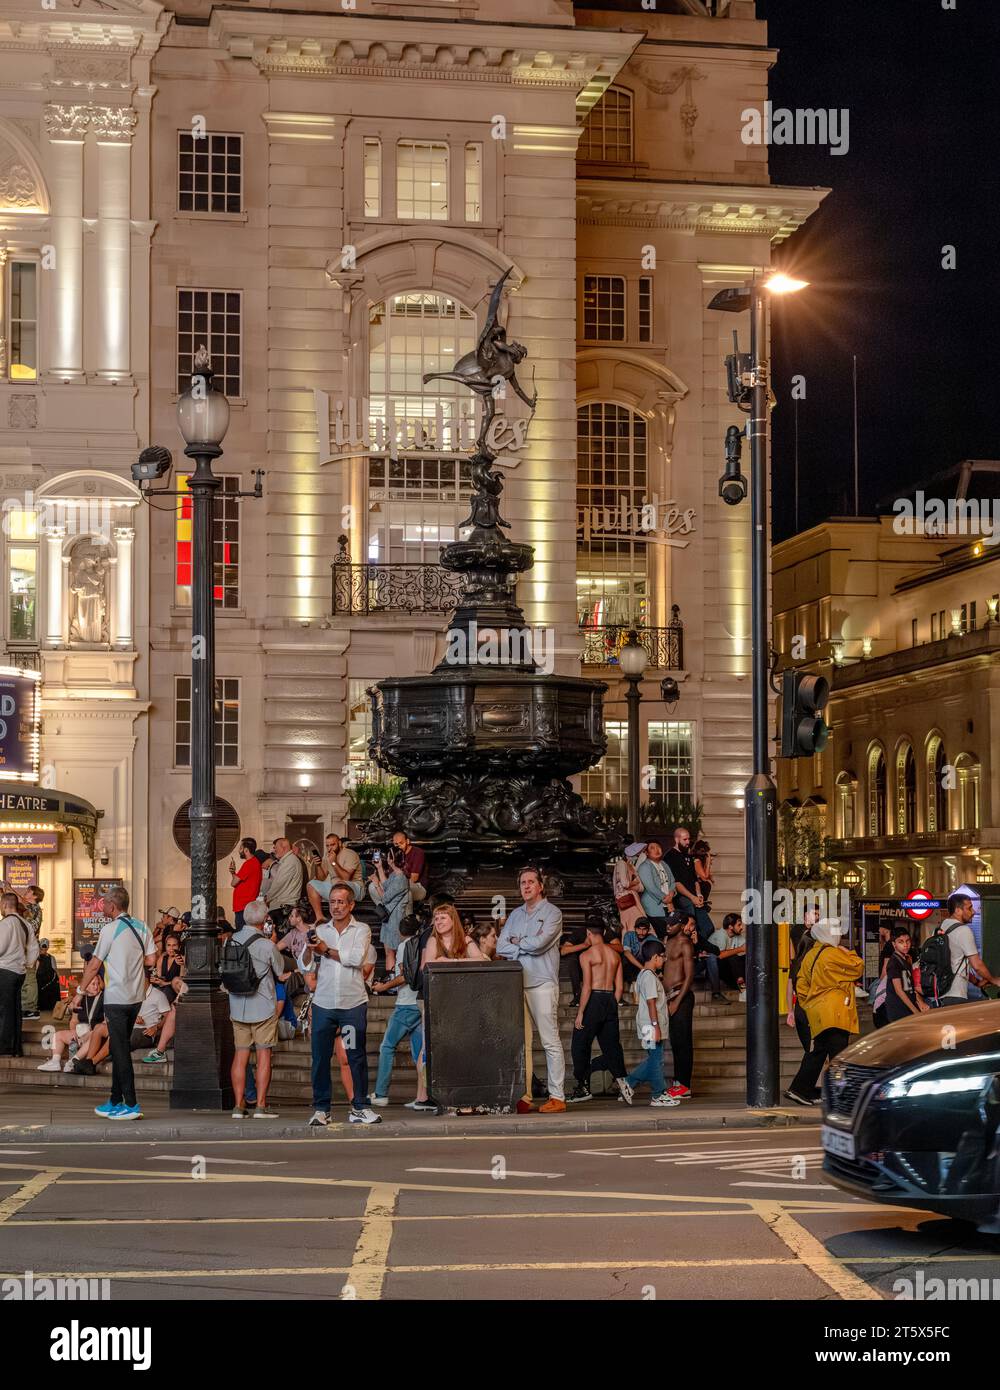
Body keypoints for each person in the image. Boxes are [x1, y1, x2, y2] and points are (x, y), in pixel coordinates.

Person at [302, 882, 381, 1127]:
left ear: (351, 904)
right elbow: (306, 964)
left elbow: (356, 959)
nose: (336, 906)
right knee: (320, 1058)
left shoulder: (362, 930)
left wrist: (325, 950)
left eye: (340, 902)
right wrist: (309, 947)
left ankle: (359, 1106)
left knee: (355, 1056)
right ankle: (321, 1109)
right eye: (332, 902)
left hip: (352, 1005)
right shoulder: (321, 929)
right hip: (324, 1004)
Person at [77, 886, 156, 1120]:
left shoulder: (110, 930)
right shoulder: (143, 926)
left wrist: (80, 991)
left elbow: (93, 965)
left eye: (104, 904)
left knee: (120, 1051)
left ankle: (131, 1104)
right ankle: (114, 1100)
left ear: (112, 905)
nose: (102, 908)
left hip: (116, 998)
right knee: (118, 1044)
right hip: (136, 998)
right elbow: (152, 959)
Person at [496, 866, 567, 1114]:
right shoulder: (515, 914)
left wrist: (518, 942)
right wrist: (520, 944)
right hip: (517, 983)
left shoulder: (552, 913)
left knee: (550, 1041)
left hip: (543, 982)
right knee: (522, 1044)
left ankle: (557, 1095)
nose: (525, 886)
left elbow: (539, 945)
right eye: (522, 882)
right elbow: (500, 945)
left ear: (540, 886)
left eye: (530, 882)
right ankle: (524, 1096)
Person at [784, 919, 864, 1107]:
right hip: (835, 1011)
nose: (839, 936)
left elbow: (801, 986)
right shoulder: (834, 954)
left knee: (819, 1051)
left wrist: (811, 1002)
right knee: (839, 1054)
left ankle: (800, 1089)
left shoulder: (811, 954)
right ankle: (842, 1095)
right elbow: (857, 967)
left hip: (818, 1011)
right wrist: (848, 952)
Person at [224, 900, 289, 1118]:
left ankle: (238, 1105)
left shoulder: (230, 941)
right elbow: (280, 971)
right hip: (262, 1006)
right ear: (264, 921)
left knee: (240, 1057)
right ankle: (261, 1105)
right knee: (263, 1057)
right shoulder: (267, 945)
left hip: (237, 1005)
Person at [569, 920, 633, 1105]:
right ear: (603, 932)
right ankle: (623, 1082)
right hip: (610, 999)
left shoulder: (587, 954)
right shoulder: (615, 955)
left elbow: (587, 986)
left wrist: (581, 1012)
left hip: (594, 999)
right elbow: (619, 987)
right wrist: (612, 1002)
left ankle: (583, 1087)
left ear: (589, 933)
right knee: (612, 1046)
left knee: (579, 1044)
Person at [370, 915, 424, 1105]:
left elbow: (403, 977)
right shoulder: (422, 945)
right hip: (419, 1003)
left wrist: (383, 987)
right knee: (419, 1052)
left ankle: (381, 1093)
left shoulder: (404, 946)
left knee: (387, 1046)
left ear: (400, 932)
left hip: (406, 1003)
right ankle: (423, 1096)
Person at [622, 938, 679, 1106]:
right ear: (655, 957)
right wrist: (656, 1027)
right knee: (656, 1059)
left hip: (649, 1024)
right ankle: (657, 1094)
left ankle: (629, 1084)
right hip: (650, 1025)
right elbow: (651, 1003)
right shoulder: (648, 977)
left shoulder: (645, 975)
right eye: (663, 956)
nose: (664, 960)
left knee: (655, 1059)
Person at [924, 892, 1000, 1007]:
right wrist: (994, 980)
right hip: (955, 994)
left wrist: (977, 982)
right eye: (969, 908)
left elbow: (954, 962)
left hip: (939, 994)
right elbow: (977, 965)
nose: (973, 912)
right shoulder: (963, 930)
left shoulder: (940, 928)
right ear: (957, 910)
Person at [38, 974, 105, 1072]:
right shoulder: (80, 999)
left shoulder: (103, 997)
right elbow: (74, 1020)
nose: (96, 986)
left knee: (93, 1035)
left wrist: (88, 1035)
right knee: (58, 1035)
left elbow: (105, 1022)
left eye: (98, 984)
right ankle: (55, 1062)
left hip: (95, 1035)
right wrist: (74, 1035)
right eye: (93, 984)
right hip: (81, 1033)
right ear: (85, 985)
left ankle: (72, 1062)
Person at [663, 909, 696, 1099]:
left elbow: (689, 976)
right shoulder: (668, 940)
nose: (668, 925)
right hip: (669, 996)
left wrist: (677, 1001)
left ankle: (684, 1085)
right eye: (668, 922)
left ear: (682, 925)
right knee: (675, 1042)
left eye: (672, 923)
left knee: (683, 1042)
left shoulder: (685, 943)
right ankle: (678, 1082)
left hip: (681, 997)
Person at [368, 844, 412, 973]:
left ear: (391, 859)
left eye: (388, 857)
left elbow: (385, 898)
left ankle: (394, 979)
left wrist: (376, 885)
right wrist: (380, 867)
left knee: (393, 952)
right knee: (389, 952)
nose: (386, 858)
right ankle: (391, 978)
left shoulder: (401, 878)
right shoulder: (396, 874)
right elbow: (386, 886)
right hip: (390, 918)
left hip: (395, 919)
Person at [665, 827, 713, 943]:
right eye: (684, 839)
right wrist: (692, 898)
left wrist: (699, 894)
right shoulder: (670, 856)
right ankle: (691, 949)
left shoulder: (689, 856)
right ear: (677, 840)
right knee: (690, 927)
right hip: (682, 897)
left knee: (708, 927)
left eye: (688, 839)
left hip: (694, 897)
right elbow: (676, 883)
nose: (688, 842)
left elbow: (695, 879)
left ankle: (698, 947)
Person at [3, 882, 44, 1020]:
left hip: (30, 948)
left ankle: (30, 1009)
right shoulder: (30, 909)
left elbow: (20, 901)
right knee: (26, 977)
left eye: (28, 891)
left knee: (30, 978)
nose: (25, 893)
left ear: (34, 895)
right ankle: (26, 1007)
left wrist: (9, 888)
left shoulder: (35, 908)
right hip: (26, 948)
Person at [307, 833, 363, 921]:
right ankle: (319, 918)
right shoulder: (327, 855)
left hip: (354, 887)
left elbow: (346, 878)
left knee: (340, 884)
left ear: (340, 843)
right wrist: (318, 865)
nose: (330, 848)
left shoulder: (350, 854)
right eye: (327, 846)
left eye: (333, 845)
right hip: (334, 888)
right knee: (311, 884)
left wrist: (334, 862)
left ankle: (341, 918)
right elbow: (321, 878)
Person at [883, 927, 930, 1024]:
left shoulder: (906, 960)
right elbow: (899, 990)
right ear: (894, 944)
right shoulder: (894, 963)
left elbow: (910, 987)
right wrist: (915, 1011)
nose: (905, 945)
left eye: (907, 941)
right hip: (898, 1008)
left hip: (907, 1007)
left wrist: (919, 1002)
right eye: (901, 942)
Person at [682, 911, 730, 1003]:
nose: (690, 927)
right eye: (688, 924)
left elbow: (716, 950)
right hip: (681, 970)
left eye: (692, 925)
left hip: (693, 968)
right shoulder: (677, 937)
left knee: (711, 957)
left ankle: (716, 994)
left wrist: (697, 943)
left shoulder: (695, 936)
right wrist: (696, 953)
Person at [262, 837, 306, 930]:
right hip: (280, 907)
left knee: (274, 936)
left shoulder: (290, 861)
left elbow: (279, 884)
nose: (274, 850)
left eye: (276, 847)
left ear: (284, 847)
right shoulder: (287, 861)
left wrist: (267, 898)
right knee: (269, 933)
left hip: (284, 908)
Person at [786, 917, 815, 1054]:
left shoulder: (797, 963)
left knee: (808, 1050)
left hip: (799, 1009)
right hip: (814, 1008)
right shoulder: (816, 963)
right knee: (815, 1052)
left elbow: (789, 987)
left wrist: (790, 1011)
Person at [131, 983, 178, 1065]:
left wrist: (156, 1027)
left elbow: (168, 1015)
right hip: (130, 1028)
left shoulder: (158, 995)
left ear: (144, 978)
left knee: (122, 1040)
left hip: (146, 1032)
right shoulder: (133, 993)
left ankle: (160, 1052)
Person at [227, 836, 263, 930]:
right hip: (245, 906)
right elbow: (237, 880)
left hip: (243, 907)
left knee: (242, 932)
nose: (239, 850)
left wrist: (234, 874)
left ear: (246, 850)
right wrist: (233, 872)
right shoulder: (254, 863)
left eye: (240, 848)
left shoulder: (249, 864)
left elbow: (233, 883)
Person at [637, 840, 675, 920]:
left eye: (658, 847)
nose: (656, 850)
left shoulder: (664, 864)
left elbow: (672, 881)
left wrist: (671, 894)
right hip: (654, 906)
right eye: (652, 848)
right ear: (647, 853)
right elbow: (651, 887)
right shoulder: (644, 867)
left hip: (669, 903)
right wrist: (667, 900)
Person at [613, 844, 647, 936]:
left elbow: (641, 887)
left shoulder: (631, 866)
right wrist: (634, 883)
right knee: (634, 924)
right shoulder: (621, 863)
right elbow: (625, 884)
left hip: (633, 898)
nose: (637, 857)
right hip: (625, 899)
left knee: (637, 924)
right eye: (637, 854)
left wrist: (630, 884)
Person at [709, 913, 747, 993]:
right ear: (730, 927)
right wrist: (741, 949)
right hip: (717, 967)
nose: (742, 928)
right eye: (739, 925)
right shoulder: (721, 935)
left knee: (747, 957)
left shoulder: (737, 935)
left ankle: (747, 983)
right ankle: (742, 987)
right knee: (733, 956)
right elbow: (721, 955)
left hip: (732, 968)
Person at [621, 917, 660, 991]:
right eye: (639, 929)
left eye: (644, 929)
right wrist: (642, 968)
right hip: (632, 966)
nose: (641, 932)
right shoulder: (629, 935)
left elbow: (661, 951)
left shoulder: (652, 938)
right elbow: (627, 953)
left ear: (649, 930)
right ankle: (627, 983)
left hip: (645, 965)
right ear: (635, 928)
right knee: (624, 957)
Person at [390, 830, 428, 903]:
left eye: (401, 843)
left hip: (417, 887)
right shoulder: (394, 855)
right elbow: (390, 878)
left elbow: (414, 878)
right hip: (397, 887)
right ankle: (387, 911)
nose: (399, 846)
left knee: (399, 888)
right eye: (396, 844)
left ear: (407, 841)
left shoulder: (417, 852)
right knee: (373, 886)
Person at [35, 938, 61, 1013]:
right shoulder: (48, 957)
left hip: (45, 982)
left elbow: (55, 970)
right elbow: (56, 970)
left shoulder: (38, 957)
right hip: (47, 982)